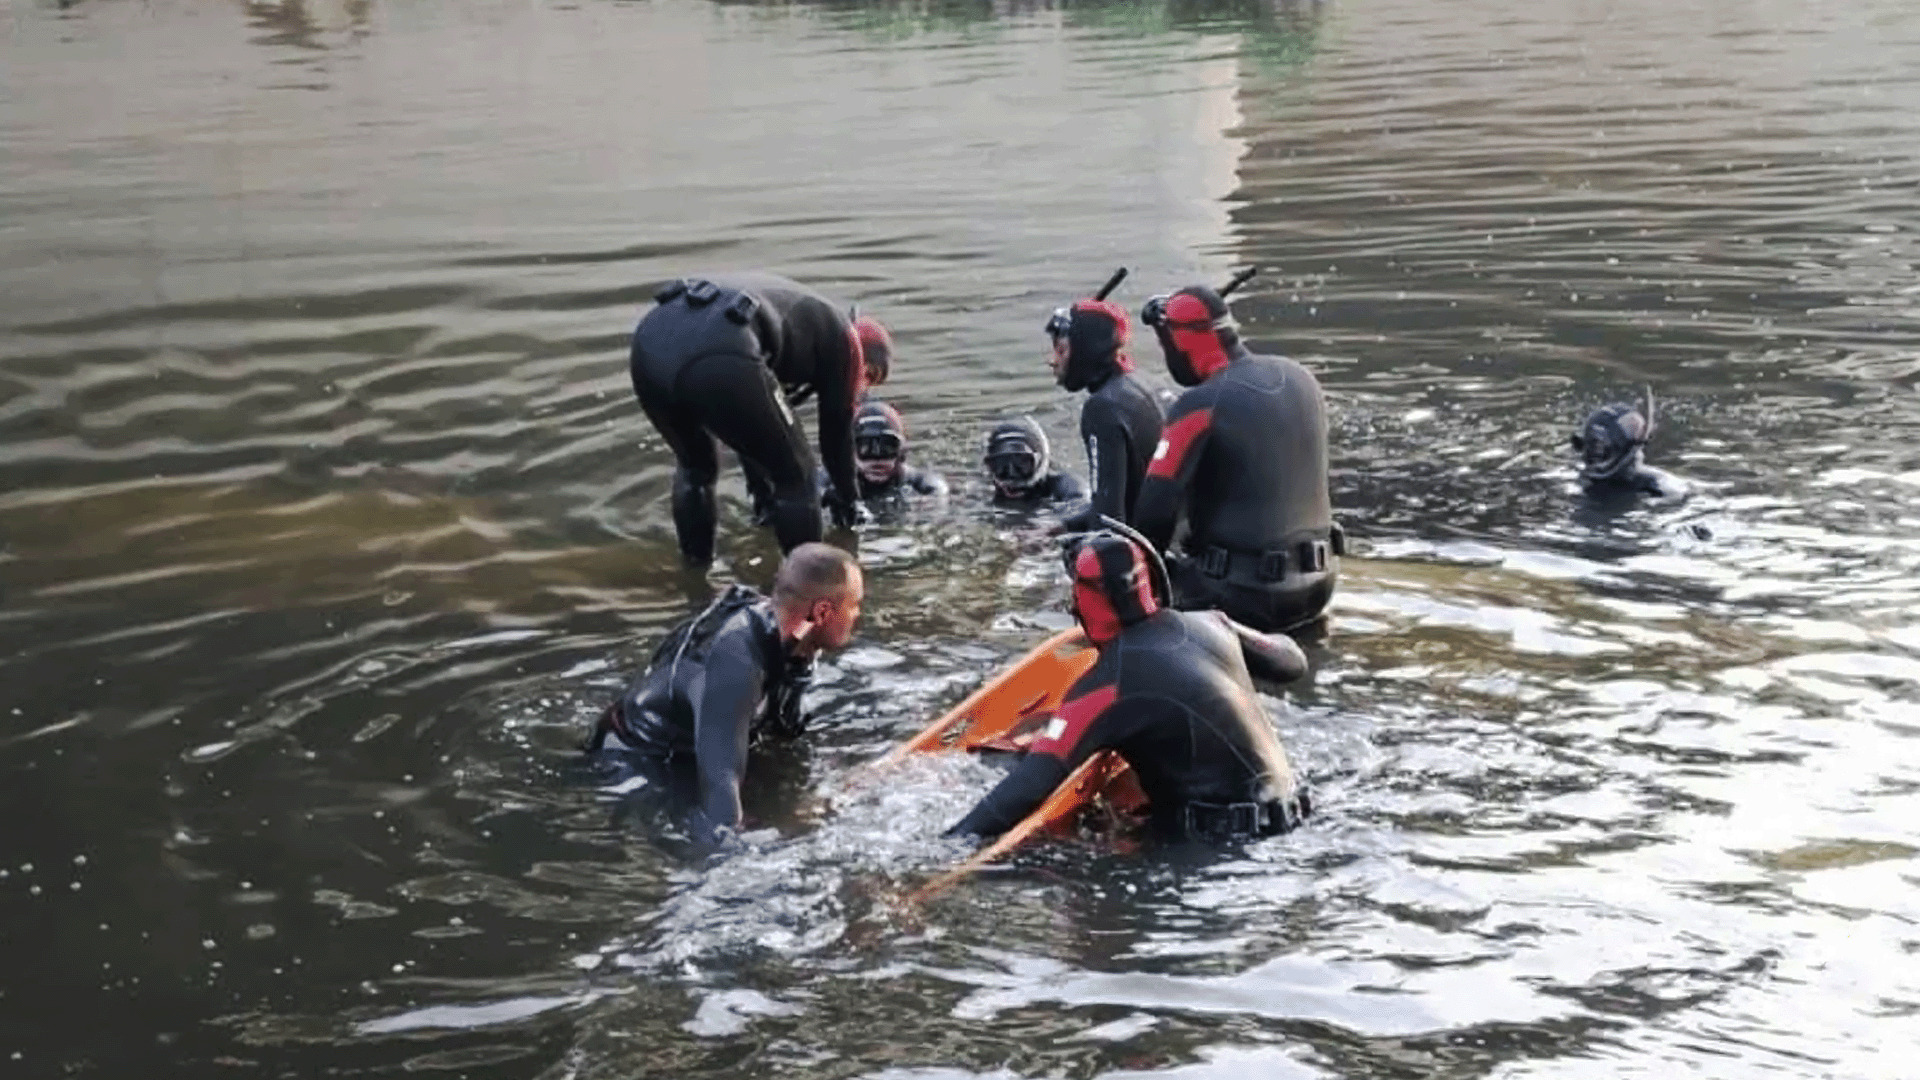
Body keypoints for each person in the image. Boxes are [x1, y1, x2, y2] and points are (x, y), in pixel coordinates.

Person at [946, 525, 1311, 844]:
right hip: (1296, 814)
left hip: (1215, 849)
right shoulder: (1213, 624)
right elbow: (1292, 662)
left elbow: (1028, 787)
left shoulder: (1106, 687)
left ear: (1084, 601)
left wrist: (949, 846)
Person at [585, 543, 864, 846]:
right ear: (822, 612)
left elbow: (783, 727)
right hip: (640, 758)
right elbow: (720, 808)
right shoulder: (735, 662)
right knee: (727, 836)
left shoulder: (794, 633)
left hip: (703, 738)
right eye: (854, 604)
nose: (858, 614)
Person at [630, 272, 884, 565]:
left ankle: (694, 578)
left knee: (696, 467)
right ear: (865, 358)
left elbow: (752, 426)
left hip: (650, 345)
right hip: (725, 348)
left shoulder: (804, 324)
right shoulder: (846, 341)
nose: (863, 388)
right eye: (870, 377)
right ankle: (807, 589)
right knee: (799, 475)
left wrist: (765, 498)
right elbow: (836, 434)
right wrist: (849, 503)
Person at [1132, 285, 1342, 633]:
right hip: (1320, 585)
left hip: (1238, 597)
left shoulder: (1200, 403)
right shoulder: (1300, 377)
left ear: (1181, 342)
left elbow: (1153, 514)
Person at [1046, 299, 1164, 524]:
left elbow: (1108, 520)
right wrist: (1060, 527)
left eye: (1061, 350)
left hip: (1151, 541)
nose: (1052, 361)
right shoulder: (1147, 383)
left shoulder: (1103, 408)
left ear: (1085, 351)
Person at [1572, 393, 1687, 500]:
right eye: (1593, 445)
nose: (1596, 451)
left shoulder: (1572, 482)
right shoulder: (1662, 486)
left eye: (1599, 446)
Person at [832, 400, 948, 501]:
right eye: (865, 448)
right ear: (850, 453)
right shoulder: (831, 483)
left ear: (902, 452)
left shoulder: (923, 486)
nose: (876, 460)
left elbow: (939, 493)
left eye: (886, 448)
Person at [984, 416, 1086, 506]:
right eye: (1001, 465)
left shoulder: (1064, 487)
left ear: (1041, 460)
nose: (1012, 473)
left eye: (1022, 462)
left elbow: (1080, 506)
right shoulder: (985, 491)